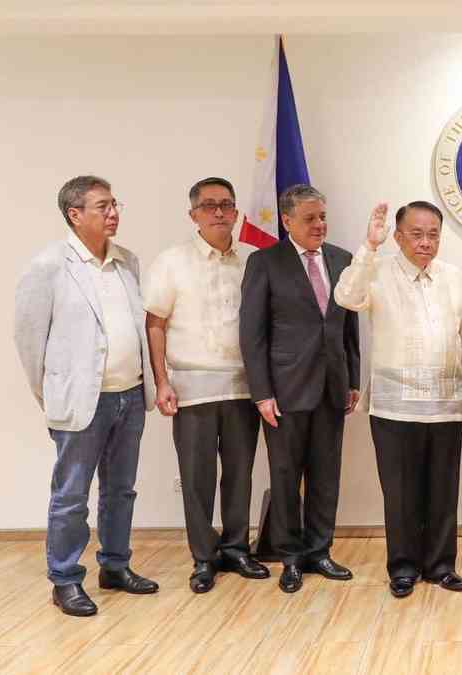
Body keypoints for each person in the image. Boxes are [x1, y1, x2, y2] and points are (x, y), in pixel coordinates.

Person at [14, 175, 159, 617]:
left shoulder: (127, 262)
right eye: (102, 206)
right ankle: (64, 579)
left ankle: (115, 566)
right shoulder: (49, 266)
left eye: (115, 204)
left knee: (120, 491)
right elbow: (28, 341)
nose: (113, 213)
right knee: (71, 495)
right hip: (82, 402)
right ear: (75, 215)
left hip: (129, 395)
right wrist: (54, 394)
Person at [333, 200, 462, 599]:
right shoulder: (376, 272)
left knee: (443, 490)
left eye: (433, 234)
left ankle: (441, 565)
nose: (426, 242)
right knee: (400, 492)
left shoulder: (455, 278)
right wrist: (369, 246)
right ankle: (403, 567)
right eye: (416, 233)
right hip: (394, 407)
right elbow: (345, 296)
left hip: (446, 404)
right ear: (398, 236)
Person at [144, 177, 270, 594]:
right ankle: (203, 557)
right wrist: (162, 381)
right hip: (192, 390)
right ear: (193, 214)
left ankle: (236, 548)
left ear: (235, 213)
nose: (219, 212)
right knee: (196, 476)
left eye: (226, 205)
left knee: (239, 473)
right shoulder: (171, 262)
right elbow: (155, 324)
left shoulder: (252, 261)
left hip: (242, 388)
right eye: (209, 205)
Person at [239, 184, 361, 594]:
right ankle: (290, 556)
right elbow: (252, 334)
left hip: (332, 386)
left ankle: (319, 551)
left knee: (327, 475)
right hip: (285, 390)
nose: (319, 224)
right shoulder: (264, 262)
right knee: (286, 475)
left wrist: (354, 378)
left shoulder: (342, 259)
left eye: (322, 216)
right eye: (310, 218)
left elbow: (348, 327)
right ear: (287, 220)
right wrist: (261, 392)